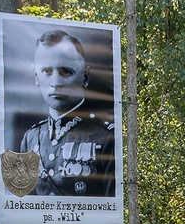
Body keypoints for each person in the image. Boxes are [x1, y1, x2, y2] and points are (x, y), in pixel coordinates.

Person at [18, 29, 115, 196]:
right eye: (47, 72)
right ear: (36, 77)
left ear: (85, 76)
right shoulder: (31, 138)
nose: (55, 83)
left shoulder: (106, 136)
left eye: (66, 72)